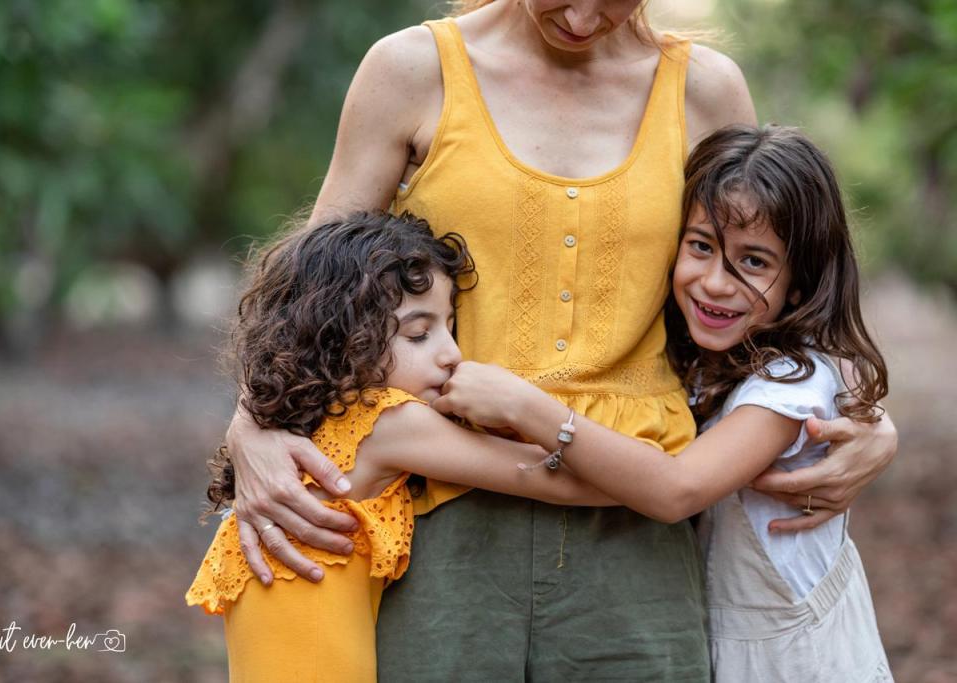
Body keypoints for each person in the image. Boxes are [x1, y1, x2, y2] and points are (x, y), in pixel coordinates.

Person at [223, 1, 898, 678]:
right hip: (439, 515)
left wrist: (863, 415)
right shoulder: (412, 71)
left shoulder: (704, 90)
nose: (580, 16)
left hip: (638, 525)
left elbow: (767, 274)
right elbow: (314, 290)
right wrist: (249, 427)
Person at [435, 124, 894, 681]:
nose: (715, 283)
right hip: (735, 640)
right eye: (701, 247)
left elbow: (678, 489)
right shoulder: (705, 366)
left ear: (800, 283)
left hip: (796, 657)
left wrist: (525, 408)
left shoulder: (790, 386)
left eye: (752, 262)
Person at [186, 211, 621, 682]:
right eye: (419, 333)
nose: (451, 352)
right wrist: (639, 482)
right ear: (344, 341)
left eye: (450, 327)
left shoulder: (308, 413)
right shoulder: (388, 420)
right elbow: (552, 480)